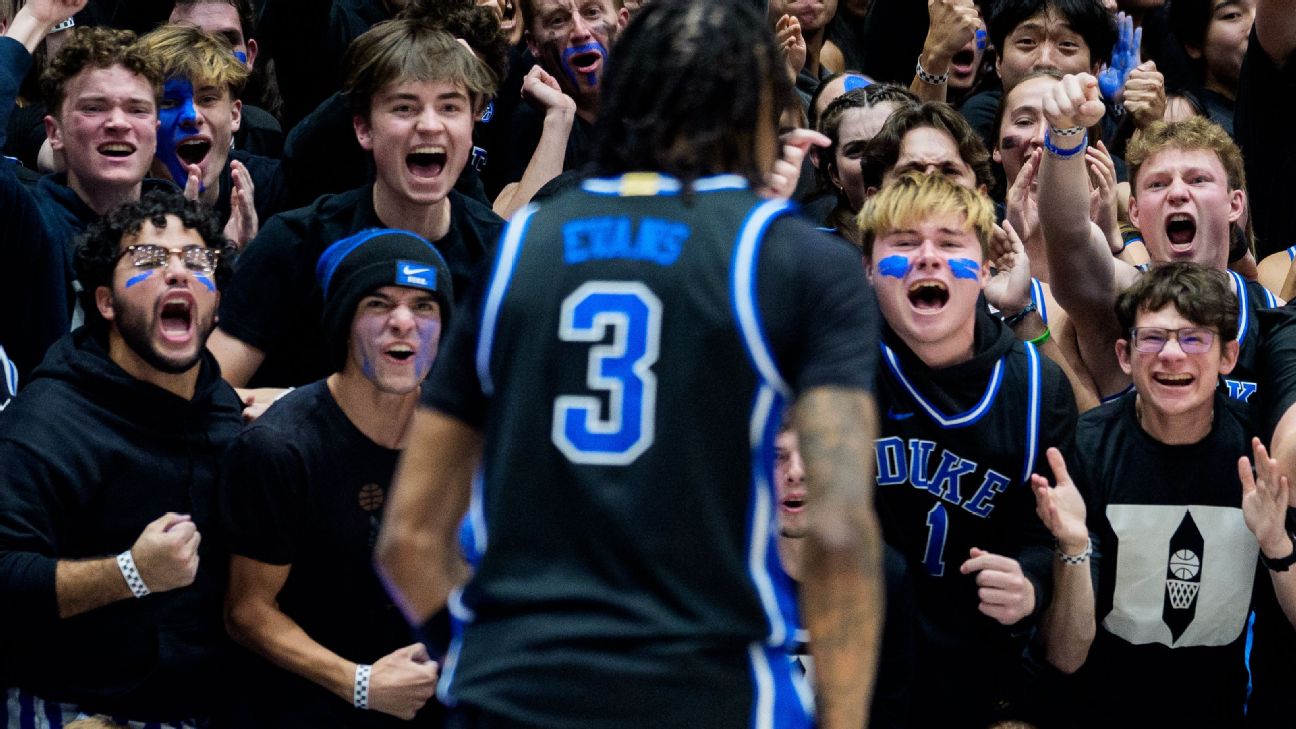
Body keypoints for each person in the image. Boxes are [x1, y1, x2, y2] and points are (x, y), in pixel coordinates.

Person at [375, 2, 884, 728]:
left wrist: (482, 660)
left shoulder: (521, 243)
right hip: (707, 694)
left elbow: (409, 538)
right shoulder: (797, 259)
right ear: (762, 109)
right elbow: (838, 534)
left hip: (512, 694)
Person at [0, 189, 241, 725]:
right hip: (70, 700)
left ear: (217, 302)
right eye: (149, 259)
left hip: (198, 701)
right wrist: (130, 573)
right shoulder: (47, 422)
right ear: (106, 302)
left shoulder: (221, 407)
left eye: (196, 260)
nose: (177, 272)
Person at [859, 172, 1087, 727]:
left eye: (950, 243)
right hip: (852, 677)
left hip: (977, 684)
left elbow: (1045, 536)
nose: (927, 258)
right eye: (904, 242)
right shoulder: (836, 367)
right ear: (867, 268)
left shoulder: (1036, 387)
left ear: (984, 269)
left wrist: (1029, 582)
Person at [221, 229, 455, 728]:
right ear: (344, 323)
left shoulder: (462, 442)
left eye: (424, 306)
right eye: (378, 304)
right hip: (307, 707)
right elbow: (247, 611)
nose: (403, 322)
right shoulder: (280, 447)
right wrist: (359, 683)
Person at [208, 21, 501, 399]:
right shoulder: (295, 242)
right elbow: (209, 398)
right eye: (404, 107)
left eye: (449, 107)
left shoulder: (501, 256)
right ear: (364, 129)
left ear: (472, 124)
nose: (430, 125)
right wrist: (299, 411)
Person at [1064, 262, 1296, 727]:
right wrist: (1070, 549)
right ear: (1125, 355)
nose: (1172, 354)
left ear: (1228, 357)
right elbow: (1064, 655)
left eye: (1194, 338)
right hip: (1099, 709)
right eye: (1152, 338)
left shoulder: (1259, 458)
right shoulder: (1085, 449)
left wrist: (1277, 543)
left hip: (1223, 710)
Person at [0, 0, 164, 384]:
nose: (118, 122)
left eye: (137, 110)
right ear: (54, 133)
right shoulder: (30, 221)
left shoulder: (182, 228)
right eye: (94, 108)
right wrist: (33, 20)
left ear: (156, 131)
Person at [134, 22, 287, 249]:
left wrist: (250, 254)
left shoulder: (272, 190)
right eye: (169, 102)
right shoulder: (119, 194)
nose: (192, 116)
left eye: (207, 99)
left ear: (235, 115)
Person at [168, 0, 284, 158]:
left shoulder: (265, 134)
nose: (210, 57)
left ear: (250, 56)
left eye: (224, 42)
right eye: (190, 42)